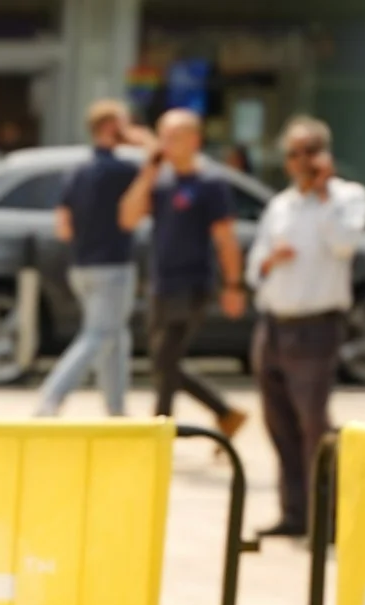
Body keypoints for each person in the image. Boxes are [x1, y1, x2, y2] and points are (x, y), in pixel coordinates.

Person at [247, 115, 365, 540]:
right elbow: (254, 266)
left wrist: (321, 194)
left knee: (314, 424)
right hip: (273, 325)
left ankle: (328, 516)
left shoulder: (347, 198)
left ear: (323, 154)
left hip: (316, 326)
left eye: (309, 151)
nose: (300, 161)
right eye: (293, 153)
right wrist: (270, 260)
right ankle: (294, 513)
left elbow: (344, 244)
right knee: (278, 423)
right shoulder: (280, 205)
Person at [119, 107, 248, 437]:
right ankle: (225, 412)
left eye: (175, 137)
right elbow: (128, 218)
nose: (167, 143)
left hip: (192, 284)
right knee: (162, 362)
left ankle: (159, 432)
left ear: (195, 140)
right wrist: (147, 174)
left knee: (166, 360)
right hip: (161, 283)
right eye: (163, 136)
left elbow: (226, 239)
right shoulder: (160, 181)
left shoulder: (210, 183)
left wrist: (233, 285)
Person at [34, 99, 146, 418]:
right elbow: (151, 181)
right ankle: (50, 400)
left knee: (115, 336)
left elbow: (63, 226)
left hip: (81, 266)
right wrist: (143, 141)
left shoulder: (77, 171)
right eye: (124, 123)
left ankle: (116, 408)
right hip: (113, 265)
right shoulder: (124, 170)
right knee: (99, 335)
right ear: (112, 127)